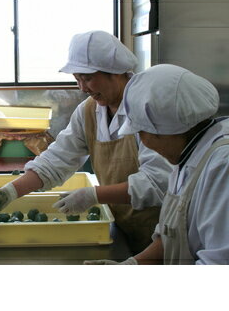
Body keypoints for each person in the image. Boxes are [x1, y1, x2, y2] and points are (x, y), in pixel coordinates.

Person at [0, 30, 173, 254]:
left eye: (87, 79)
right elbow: (56, 160)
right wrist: (10, 192)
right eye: (77, 79)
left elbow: (158, 183)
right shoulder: (88, 111)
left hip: (158, 233)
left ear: (114, 72)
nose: (82, 88)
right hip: (119, 227)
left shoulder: (147, 108)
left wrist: (94, 195)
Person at [85, 64, 229, 265]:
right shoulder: (189, 154)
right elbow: (172, 234)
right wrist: (133, 265)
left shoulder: (222, 167)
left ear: (162, 132)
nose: (144, 142)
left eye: (141, 133)